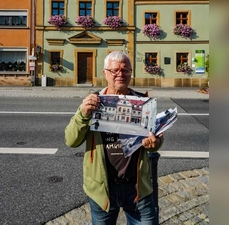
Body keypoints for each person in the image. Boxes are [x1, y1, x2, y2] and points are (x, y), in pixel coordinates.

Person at [65, 51, 163, 224]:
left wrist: (155, 143)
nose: (120, 74)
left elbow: (155, 139)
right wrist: (83, 114)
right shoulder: (93, 102)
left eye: (125, 70)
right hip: (103, 188)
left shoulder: (143, 103)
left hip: (137, 188)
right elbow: (71, 141)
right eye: (114, 70)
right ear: (105, 73)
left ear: (131, 73)